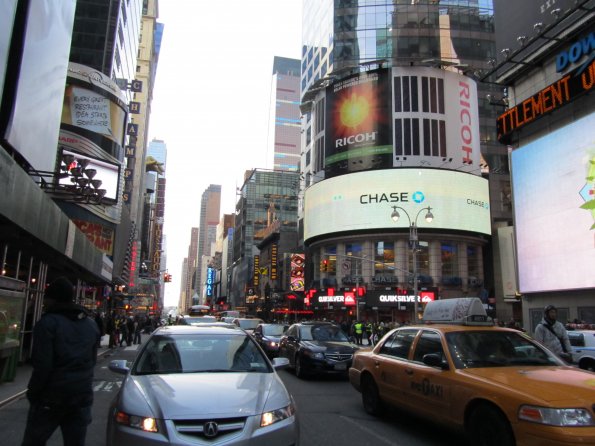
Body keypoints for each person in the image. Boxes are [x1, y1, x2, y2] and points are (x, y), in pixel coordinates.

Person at [22, 277, 100, 446]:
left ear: (53, 299)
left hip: (51, 397)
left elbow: (42, 365)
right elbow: (92, 360)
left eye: (46, 298)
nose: (44, 302)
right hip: (81, 395)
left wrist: (33, 392)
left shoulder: (48, 323)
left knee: (33, 441)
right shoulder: (91, 325)